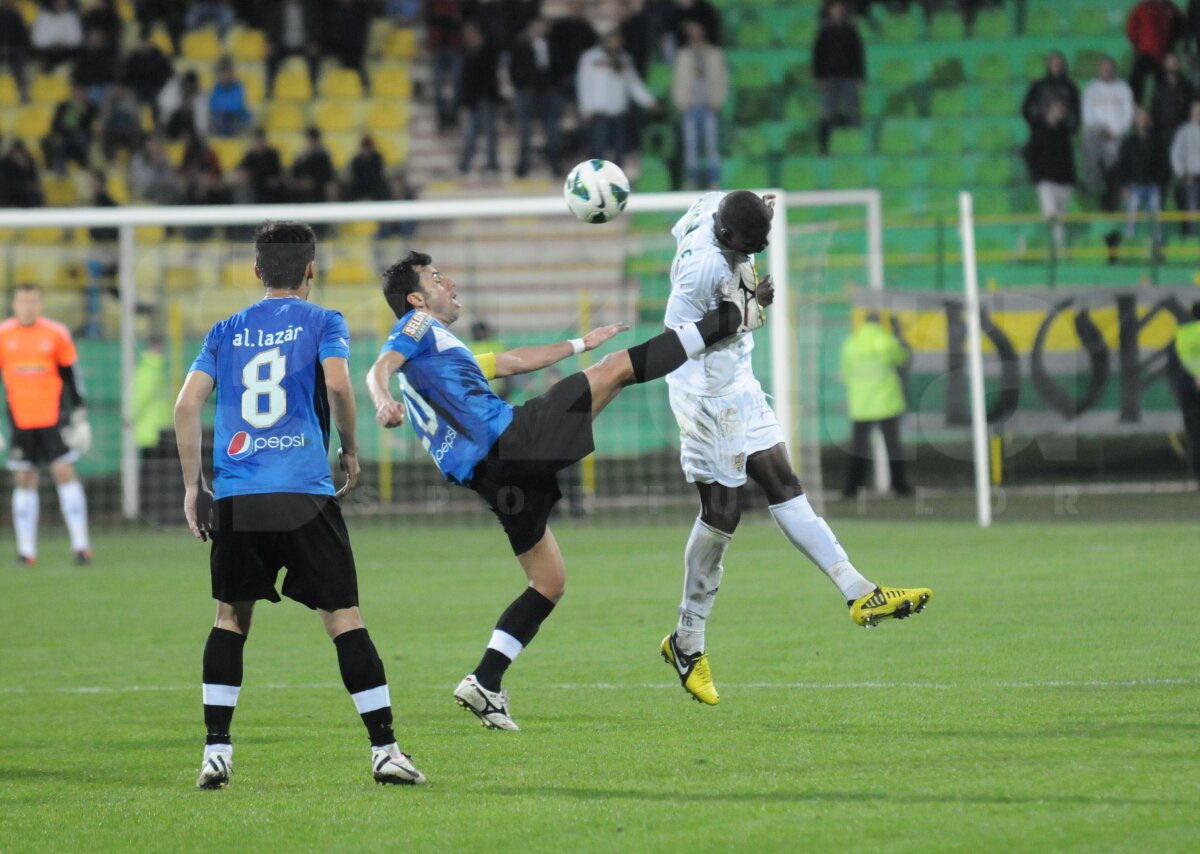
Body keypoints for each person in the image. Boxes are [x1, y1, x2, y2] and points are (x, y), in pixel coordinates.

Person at [364, 250, 753, 729]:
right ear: (416, 299)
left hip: (492, 476)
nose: (452, 285)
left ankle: (486, 680)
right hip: (510, 442)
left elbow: (510, 361)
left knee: (548, 582)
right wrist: (381, 399)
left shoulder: (441, 351)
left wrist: (578, 343)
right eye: (438, 279)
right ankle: (732, 316)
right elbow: (380, 364)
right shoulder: (417, 327)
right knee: (617, 369)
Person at [173, 221, 426, 790]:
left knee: (231, 620)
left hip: (239, 492)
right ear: (312, 269)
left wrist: (195, 486)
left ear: (257, 270)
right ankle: (384, 749)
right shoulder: (324, 321)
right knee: (343, 621)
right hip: (304, 491)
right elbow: (338, 385)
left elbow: (186, 406)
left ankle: (216, 752)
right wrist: (350, 451)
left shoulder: (224, 330)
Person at [659, 191, 933, 706]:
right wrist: (750, 307)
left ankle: (859, 591)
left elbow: (701, 219)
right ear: (725, 237)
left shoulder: (714, 208)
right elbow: (692, 337)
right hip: (704, 394)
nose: (755, 252)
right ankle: (686, 640)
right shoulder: (703, 273)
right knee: (722, 515)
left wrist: (759, 214)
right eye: (749, 246)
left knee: (785, 483)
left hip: (738, 382)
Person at [0, 284, 93, 567]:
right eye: (23, 301)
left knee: (64, 471)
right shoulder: (3, 335)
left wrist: (79, 415)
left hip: (53, 417)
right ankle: (26, 552)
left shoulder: (56, 334)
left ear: (39, 305)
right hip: (20, 418)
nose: (28, 307)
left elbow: (71, 376)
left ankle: (81, 546)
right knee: (24, 477)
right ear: (14, 305)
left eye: (33, 301)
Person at [840, 312, 912, 499]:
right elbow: (902, 357)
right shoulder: (886, 341)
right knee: (893, 448)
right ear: (879, 323)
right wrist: (899, 335)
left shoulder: (851, 344)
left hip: (861, 405)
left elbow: (846, 374)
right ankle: (899, 484)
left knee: (858, 449)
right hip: (885, 403)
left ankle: (851, 487)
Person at [576, 27, 658, 164]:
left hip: (619, 112)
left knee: (619, 149)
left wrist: (650, 102)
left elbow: (634, 85)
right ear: (605, 41)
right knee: (598, 150)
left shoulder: (624, 59)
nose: (616, 44)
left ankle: (616, 179)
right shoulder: (590, 58)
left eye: (618, 41)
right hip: (599, 111)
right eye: (613, 40)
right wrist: (585, 108)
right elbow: (584, 84)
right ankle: (597, 180)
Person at [672, 18, 727, 189]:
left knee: (711, 146)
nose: (695, 36)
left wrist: (717, 101)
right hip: (690, 107)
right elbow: (678, 81)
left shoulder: (714, 54)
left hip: (708, 106)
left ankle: (713, 180)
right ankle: (693, 180)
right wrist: (681, 102)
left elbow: (722, 79)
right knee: (691, 147)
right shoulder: (683, 55)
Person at [510, 18, 564, 178]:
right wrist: (522, 86)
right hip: (528, 93)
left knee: (552, 131)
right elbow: (514, 68)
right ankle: (522, 165)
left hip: (548, 93)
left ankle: (555, 164)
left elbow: (558, 67)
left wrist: (555, 86)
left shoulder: (552, 44)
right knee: (525, 131)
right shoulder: (520, 45)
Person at [812, 0, 865, 156]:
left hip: (848, 76)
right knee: (828, 112)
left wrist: (860, 76)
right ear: (828, 10)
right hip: (829, 76)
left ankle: (855, 146)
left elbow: (858, 54)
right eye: (833, 8)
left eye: (838, 8)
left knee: (851, 111)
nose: (836, 11)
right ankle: (825, 147)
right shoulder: (824, 32)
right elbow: (818, 56)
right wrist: (819, 76)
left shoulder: (850, 30)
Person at [1082, 56, 1135, 210]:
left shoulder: (1123, 88)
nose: (1107, 70)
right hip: (1098, 134)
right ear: (1099, 70)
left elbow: (1128, 113)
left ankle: (1115, 202)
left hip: (1118, 135)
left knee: (1116, 169)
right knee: (1088, 140)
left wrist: (1116, 132)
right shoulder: (1091, 88)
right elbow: (1088, 115)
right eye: (1104, 67)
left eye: (1110, 67)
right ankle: (1093, 185)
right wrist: (1102, 130)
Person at [1024, 98, 1077, 248]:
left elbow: (1069, 156)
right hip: (1046, 182)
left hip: (1065, 182)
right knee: (1050, 215)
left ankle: (1058, 250)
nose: (1059, 112)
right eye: (1056, 108)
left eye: (1061, 109)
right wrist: (1037, 176)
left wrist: (1072, 180)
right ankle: (1053, 250)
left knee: (1061, 219)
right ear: (1049, 110)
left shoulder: (1064, 131)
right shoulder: (1039, 130)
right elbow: (1029, 154)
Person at [1117, 107, 1170, 255]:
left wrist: (1159, 183)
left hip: (1153, 187)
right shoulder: (1129, 142)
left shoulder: (1158, 141)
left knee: (1156, 222)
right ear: (1135, 120)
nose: (1142, 120)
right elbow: (1122, 165)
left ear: (1149, 120)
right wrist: (1124, 185)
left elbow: (1164, 164)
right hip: (1134, 187)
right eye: (1139, 117)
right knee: (1130, 220)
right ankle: (1127, 252)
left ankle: (1158, 251)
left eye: (1145, 117)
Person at [457, 21, 500, 175]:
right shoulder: (469, 51)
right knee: (473, 133)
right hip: (475, 100)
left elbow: (487, 77)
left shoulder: (486, 51)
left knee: (489, 133)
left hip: (485, 98)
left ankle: (492, 164)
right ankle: (465, 164)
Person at [1126, 0, 1185, 104]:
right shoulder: (1143, 7)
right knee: (1136, 82)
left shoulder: (1171, 8)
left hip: (1163, 55)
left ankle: (1160, 112)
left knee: (1164, 85)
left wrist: (1171, 45)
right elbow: (1131, 28)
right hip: (1144, 53)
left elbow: (1182, 25)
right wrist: (1139, 45)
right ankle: (1135, 110)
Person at [1166, 302, 1200, 481]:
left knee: (1195, 434)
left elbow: (1172, 368)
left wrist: (1177, 391)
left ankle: (1197, 475)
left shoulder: (1182, 335)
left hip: (1187, 391)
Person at [265, 0, 319, 97]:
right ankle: (269, 89)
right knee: (271, 58)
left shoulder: (307, 8)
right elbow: (271, 26)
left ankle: (314, 88)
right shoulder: (278, 8)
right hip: (283, 46)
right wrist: (271, 43)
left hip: (303, 46)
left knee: (314, 58)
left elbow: (314, 26)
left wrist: (313, 43)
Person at [425, 0, 465, 132]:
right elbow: (430, 17)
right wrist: (448, 19)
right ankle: (442, 118)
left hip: (455, 45)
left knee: (457, 84)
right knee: (437, 86)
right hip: (437, 45)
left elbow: (462, 17)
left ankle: (453, 116)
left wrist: (445, 18)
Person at [42, 84, 97, 174]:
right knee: (49, 141)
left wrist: (81, 111)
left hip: (79, 136)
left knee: (77, 139)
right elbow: (55, 124)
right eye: (77, 91)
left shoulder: (90, 109)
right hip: (63, 134)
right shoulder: (63, 106)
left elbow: (89, 127)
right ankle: (55, 167)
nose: (79, 94)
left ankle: (80, 168)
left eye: (82, 92)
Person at [1022, 51, 1081, 133]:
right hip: (1041, 133)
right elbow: (1025, 109)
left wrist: (1072, 129)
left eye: (1059, 63)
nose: (1057, 66)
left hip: (1063, 133)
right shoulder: (1038, 86)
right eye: (1054, 63)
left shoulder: (1071, 87)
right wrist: (1036, 124)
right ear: (1048, 65)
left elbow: (1077, 112)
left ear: (1064, 65)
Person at [122, 34, 174, 116]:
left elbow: (169, 73)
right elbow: (126, 76)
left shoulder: (158, 56)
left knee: (161, 101)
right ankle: (136, 126)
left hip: (156, 88)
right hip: (138, 89)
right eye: (142, 43)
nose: (144, 45)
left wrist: (163, 86)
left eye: (146, 43)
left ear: (150, 44)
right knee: (129, 98)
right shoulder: (133, 57)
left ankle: (158, 125)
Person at [1171, 100, 1200, 234]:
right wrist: (1182, 174)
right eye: (1196, 110)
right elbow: (1175, 154)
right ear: (1191, 112)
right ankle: (1192, 238)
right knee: (1192, 209)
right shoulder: (1184, 131)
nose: (1198, 113)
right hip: (1191, 177)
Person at [31, 0, 82, 71]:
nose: (60, 4)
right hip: (46, 53)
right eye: (58, 2)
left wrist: (64, 43)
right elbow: (36, 40)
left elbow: (77, 40)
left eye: (63, 2)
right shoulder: (43, 17)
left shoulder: (71, 17)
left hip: (67, 54)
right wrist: (53, 43)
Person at [239, 128, 286, 204]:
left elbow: (279, 172)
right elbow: (243, 172)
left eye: (261, 141)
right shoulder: (250, 156)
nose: (259, 143)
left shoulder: (273, 154)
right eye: (257, 141)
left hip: (272, 189)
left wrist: (275, 180)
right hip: (255, 188)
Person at [291, 126, 337, 203]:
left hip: (319, 185)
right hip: (303, 184)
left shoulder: (324, 155)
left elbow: (328, 174)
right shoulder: (301, 155)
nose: (312, 142)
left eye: (313, 140)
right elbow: (295, 172)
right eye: (310, 140)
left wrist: (313, 181)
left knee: (331, 187)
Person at [208, 57, 251, 138]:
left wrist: (224, 108)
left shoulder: (239, 87)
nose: (223, 76)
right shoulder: (216, 88)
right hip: (221, 121)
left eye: (226, 73)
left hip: (237, 121)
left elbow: (237, 106)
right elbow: (213, 107)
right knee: (213, 120)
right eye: (221, 74)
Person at [0, 0, 31, 102]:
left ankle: (23, 94)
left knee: (19, 66)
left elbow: (23, 37)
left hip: (14, 49)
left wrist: (10, 48)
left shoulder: (16, 15)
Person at [0, 139, 45, 207]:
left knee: (33, 193)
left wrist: (24, 167)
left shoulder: (30, 161)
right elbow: (6, 180)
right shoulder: (6, 163)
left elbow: (34, 177)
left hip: (25, 190)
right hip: (11, 189)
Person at [346, 134, 388, 201]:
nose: (366, 151)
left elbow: (381, 175)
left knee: (382, 188)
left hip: (375, 186)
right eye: (364, 148)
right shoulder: (356, 160)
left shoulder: (377, 158)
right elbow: (353, 177)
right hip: (360, 187)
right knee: (350, 189)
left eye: (367, 148)